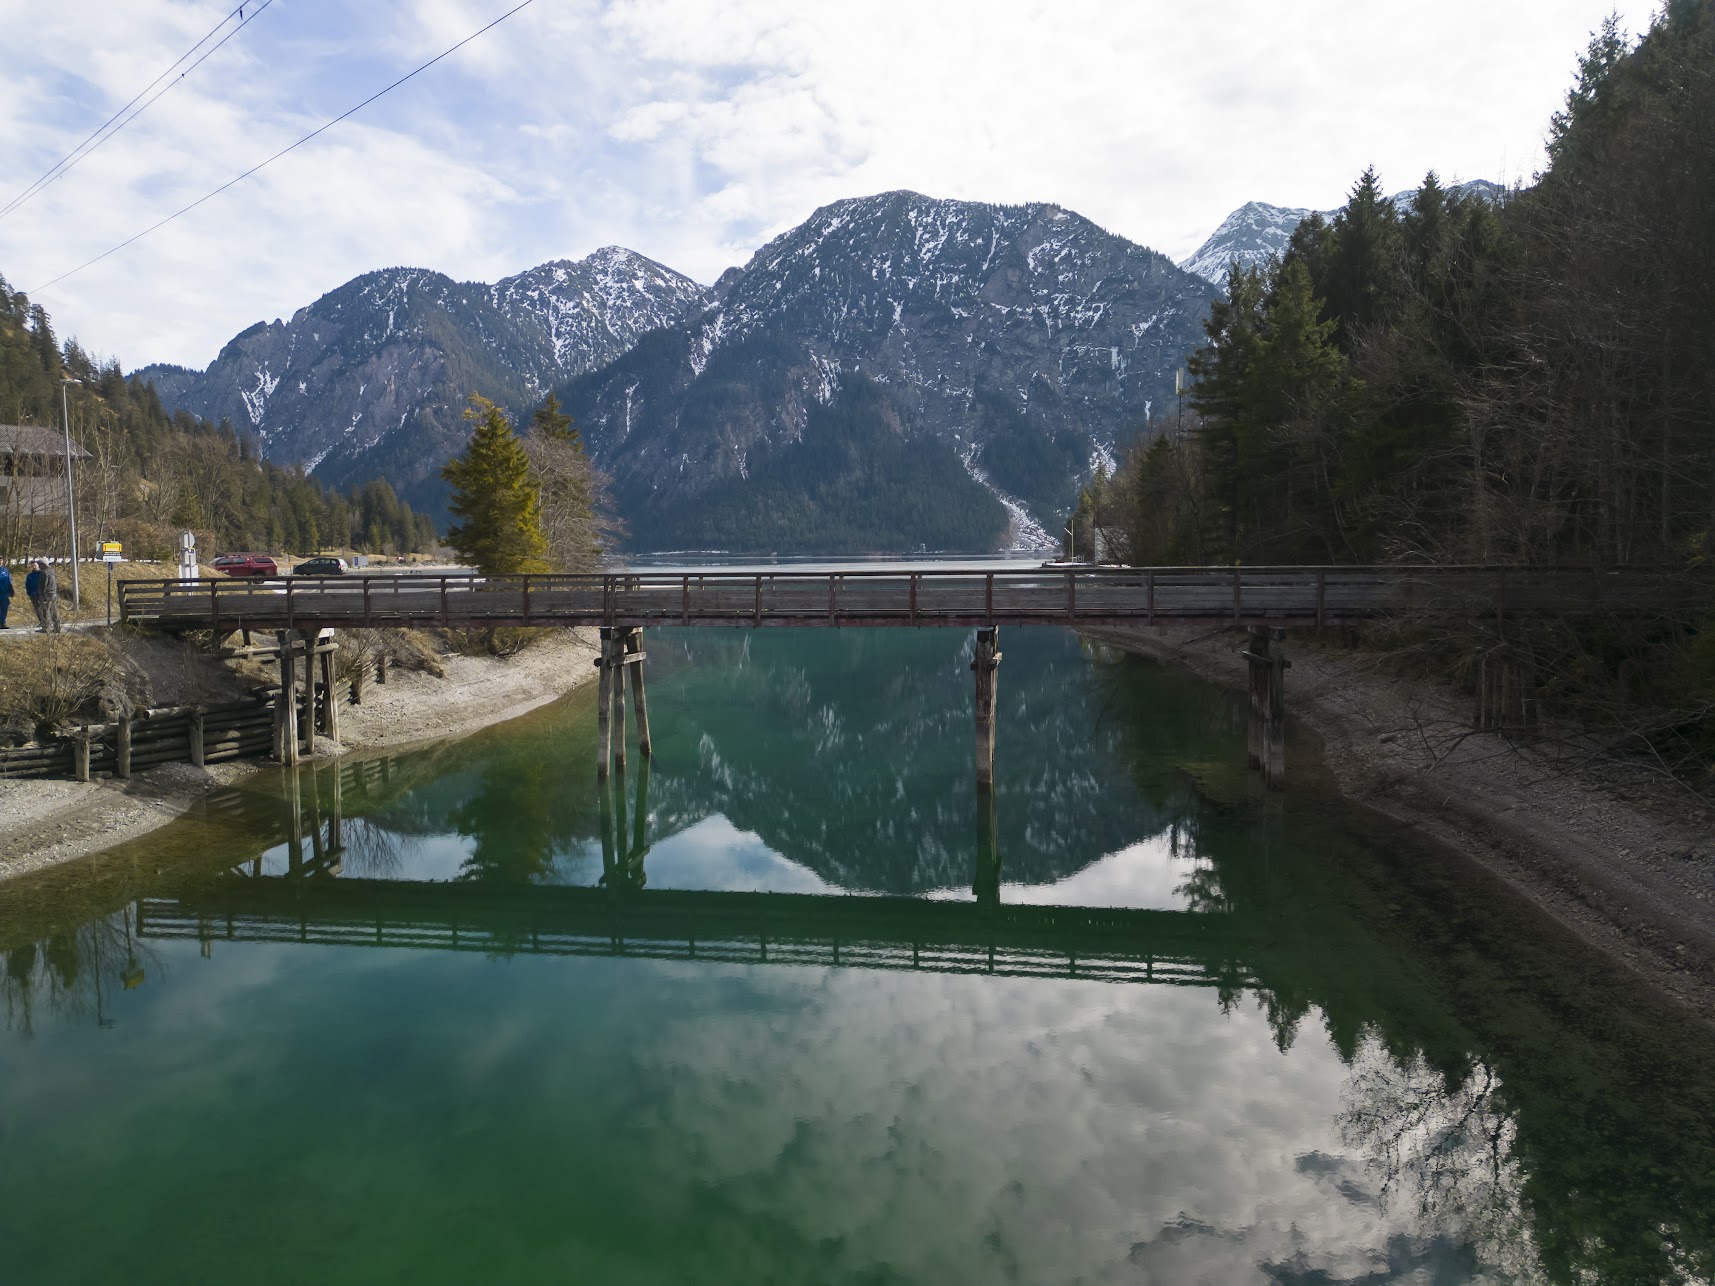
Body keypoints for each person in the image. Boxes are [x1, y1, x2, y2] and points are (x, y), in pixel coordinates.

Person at [25, 560, 59, 633]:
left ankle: (46, 627)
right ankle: (57, 626)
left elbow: (44, 585)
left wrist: (42, 595)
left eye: (39, 564)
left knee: (45, 611)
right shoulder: (52, 571)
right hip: (53, 593)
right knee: (53, 611)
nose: (39, 566)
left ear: (43, 564)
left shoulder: (44, 573)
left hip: (46, 595)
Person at [0, 562, 12, 629]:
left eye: (1, 561)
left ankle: (2, 623)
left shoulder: (5, 570)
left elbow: (9, 581)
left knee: (4, 608)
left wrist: (11, 590)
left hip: (4, 593)